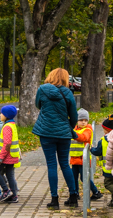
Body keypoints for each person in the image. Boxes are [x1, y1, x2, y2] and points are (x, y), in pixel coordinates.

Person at [33, 68, 80, 209]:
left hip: (46, 133)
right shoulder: (68, 93)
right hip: (64, 134)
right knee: (65, 164)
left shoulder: (42, 89)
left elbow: (37, 105)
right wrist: (68, 128)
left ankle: (54, 201)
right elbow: (74, 116)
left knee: (52, 165)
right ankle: (73, 197)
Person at [70, 109, 102, 201]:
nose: (83, 122)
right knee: (74, 177)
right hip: (74, 158)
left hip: (83, 159)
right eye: (81, 120)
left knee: (84, 178)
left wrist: (73, 133)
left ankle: (96, 192)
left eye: (85, 120)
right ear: (77, 120)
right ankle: (75, 193)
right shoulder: (75, 129)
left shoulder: (88, 130)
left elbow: (84, 137)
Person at [90, 115, 113, 207]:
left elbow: (97, 152)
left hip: (108, 168)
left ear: (107, 130)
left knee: (107, 184)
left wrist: (91, 149)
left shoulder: (103, 141)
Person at [0, 105, 21, 203]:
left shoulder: (7, 127)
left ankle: (6, 190)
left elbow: (7, 143)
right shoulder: (12, 125)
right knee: (9, 175)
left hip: (6, 156)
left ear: (6, 115)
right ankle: (14, 196)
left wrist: (0, 157)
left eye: (2, 113)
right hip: (12, 156)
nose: (0, 115)